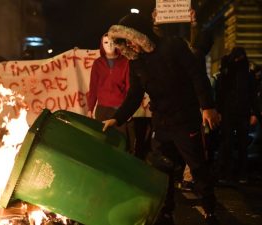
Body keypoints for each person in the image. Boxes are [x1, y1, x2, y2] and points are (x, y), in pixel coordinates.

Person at [102, 13, 221, 225]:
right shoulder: (136, 63)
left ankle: (210, 211)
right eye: (125, 42)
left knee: (197, 167)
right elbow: (134, 94)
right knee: (161, 169)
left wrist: (207, 107)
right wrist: (117, 119)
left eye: (131, 39)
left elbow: (196, 74)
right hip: (162, 123)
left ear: (141, 35)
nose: (130, 45)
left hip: (185, 120)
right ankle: (165, 213)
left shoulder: (173, 46)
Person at [215, 47, 260, 184]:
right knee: (228, 143)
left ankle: (240, 173)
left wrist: (254, 113)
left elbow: (252, 95)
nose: (238, 60)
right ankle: (229, 173)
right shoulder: (228, 73)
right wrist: (219, 111)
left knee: (241, 144)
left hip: (241, 112)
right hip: (230, 112)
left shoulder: (247, 74)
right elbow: (220, 94)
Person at [87, 33, 131, 153]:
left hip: (119, 109)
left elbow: (129, 87)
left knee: (121, 143)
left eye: (112, 42)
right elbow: (93, 87)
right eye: (106, 42)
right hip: (102, 110)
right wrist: (90, 108)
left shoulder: (125, 62)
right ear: (101, 45)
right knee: (102, 142)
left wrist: (128, 110)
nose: (109, 45)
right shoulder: (98, 63)